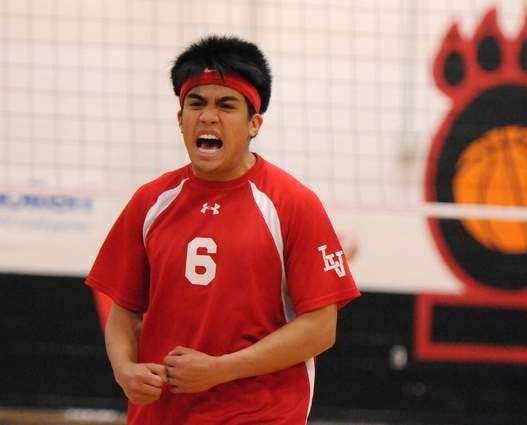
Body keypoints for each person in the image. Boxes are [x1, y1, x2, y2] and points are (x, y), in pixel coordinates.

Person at [86, 35, 360, 424]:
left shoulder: (292, 203)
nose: (208, 117)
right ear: (180, 119)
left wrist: (221, 369)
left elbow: (320, 330)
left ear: (254, 124)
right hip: (163, 412)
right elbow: (124, 311)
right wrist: (124, 369)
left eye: (225, 105)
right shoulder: (151, 201)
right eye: (196, 104)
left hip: (260, 411)